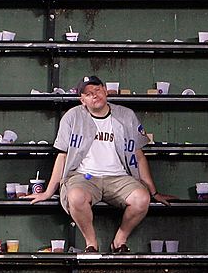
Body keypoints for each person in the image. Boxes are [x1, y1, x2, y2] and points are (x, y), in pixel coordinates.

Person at [25, 75, 175, 253]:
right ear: (82, 100)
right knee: (75, 196)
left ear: (105, 91)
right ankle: (91, 244)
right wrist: (48, 192)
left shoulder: (126, 115)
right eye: (88, 94)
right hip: (84, 176)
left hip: (119, 177)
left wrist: (153, 191)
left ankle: (120, 240)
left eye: (97, 90)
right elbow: (63, 155)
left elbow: (139, 155)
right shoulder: (72, 117)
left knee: (142, 199)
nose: (94, 95)